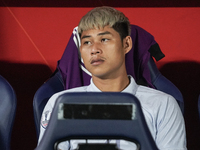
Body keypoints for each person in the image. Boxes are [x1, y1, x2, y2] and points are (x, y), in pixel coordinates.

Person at [38, 6, 187, 150]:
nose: (94, 49)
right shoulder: (60, 103)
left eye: (104, 40)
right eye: (87, 42)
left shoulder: (163, 104)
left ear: (126, 44)